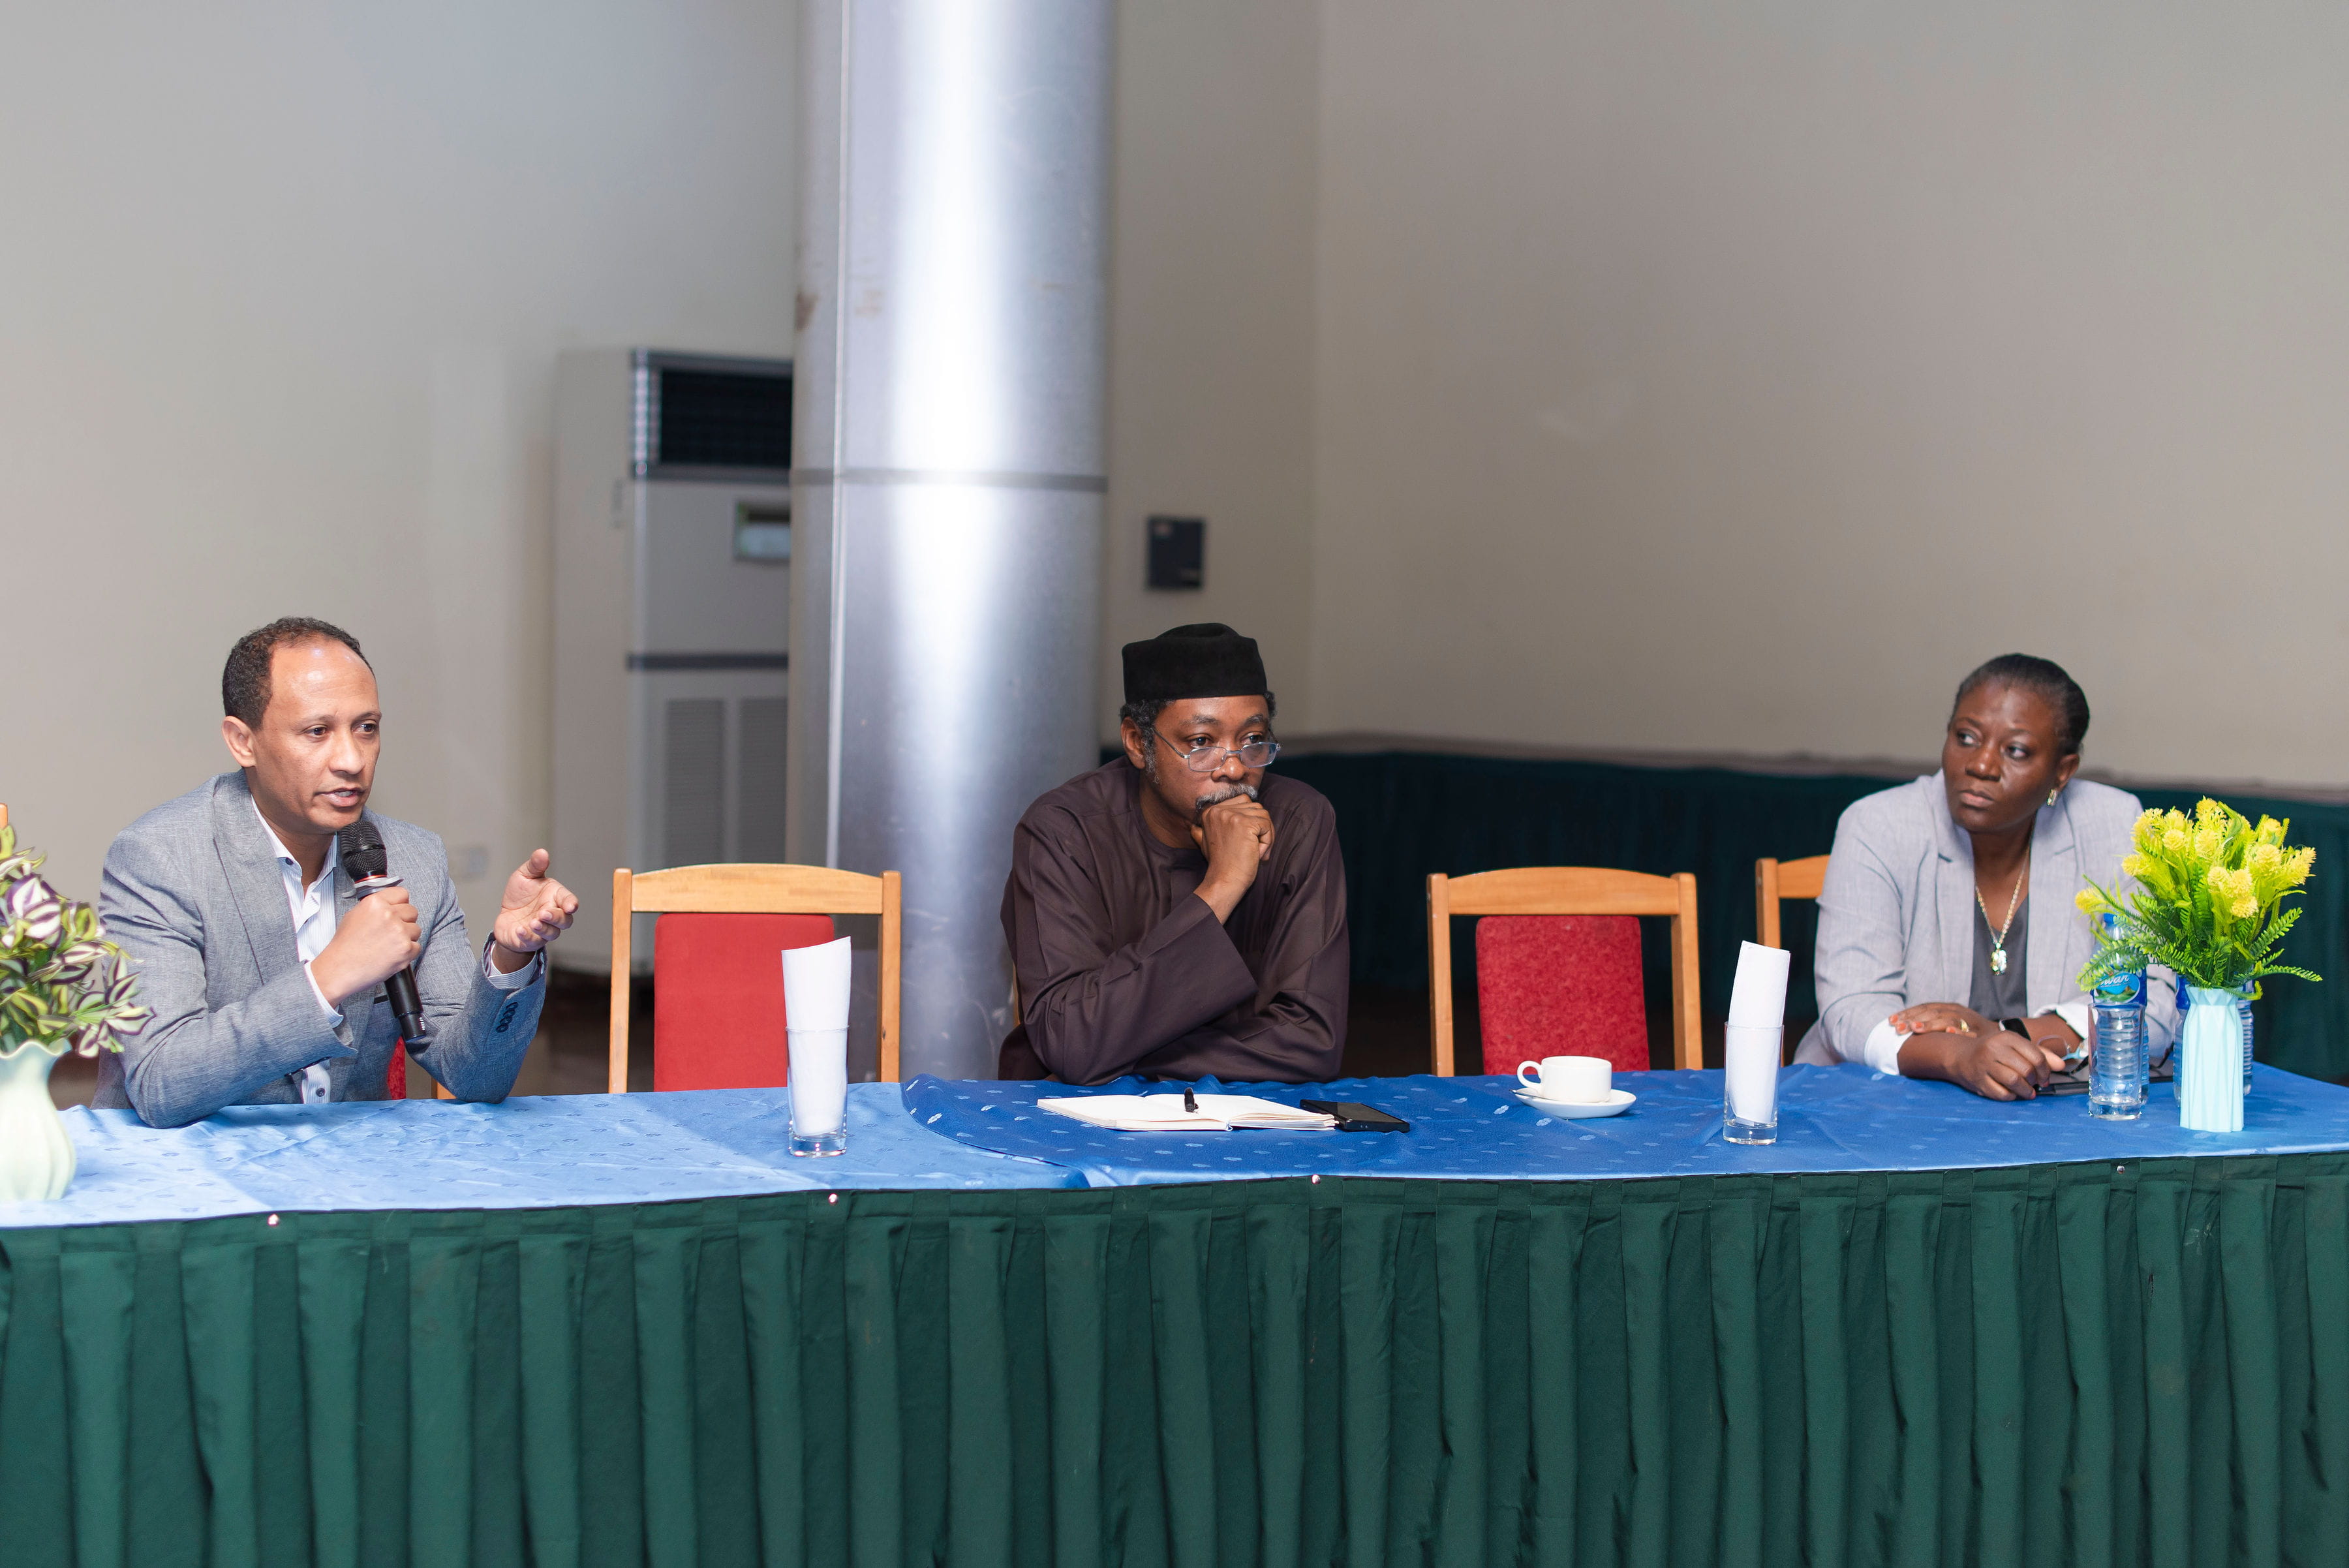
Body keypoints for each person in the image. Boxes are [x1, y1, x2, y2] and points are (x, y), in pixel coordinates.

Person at [97, 617, 579, 1127]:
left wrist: (511, 954)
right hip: (187, 1178)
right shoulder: (160, 857)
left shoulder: (413, 857)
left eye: (366, 728)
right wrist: (330, 976)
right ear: (243, 742)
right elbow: (161, 1082)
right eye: (317, 731)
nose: (351, 759)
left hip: (350, 1175)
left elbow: (475, 1076)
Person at [1796, 653, 2177, 1098]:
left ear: (2063, 771)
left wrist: (2000, 1033)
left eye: (2015, 750)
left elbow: (2153, 1004)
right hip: (1882, 1107)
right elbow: (1851, 1010)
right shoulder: (1879, 825)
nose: (1981, 765)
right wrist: (1959, 1056)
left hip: (2052, 1110)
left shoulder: (2113, 824)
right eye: (1966, 737)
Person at [998, 623, 1349, 1084]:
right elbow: (1070, 1040)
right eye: (1201, 742)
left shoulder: (1299, 821)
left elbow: (1312, 1043)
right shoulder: (1065, 831)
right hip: (1071, 1124)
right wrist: (1221, 888)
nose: (1233, 767)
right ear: (1138, 744)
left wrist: (1124, 1055)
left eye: (1253, 739)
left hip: (1247, 1127)